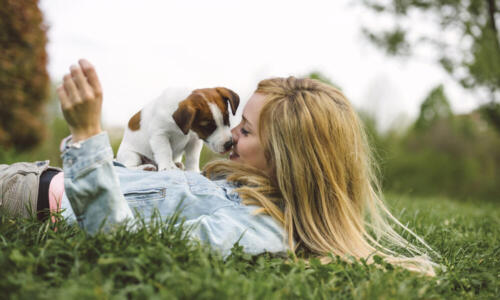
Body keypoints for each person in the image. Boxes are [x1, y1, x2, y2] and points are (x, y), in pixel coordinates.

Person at [0, 59, 437, 275]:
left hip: (37, 197)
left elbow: (121, 241)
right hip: (44, 176)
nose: (230, 137)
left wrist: (86, 135)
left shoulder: (256, 227)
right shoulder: (239, 186)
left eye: (243, 130)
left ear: (286, 158)